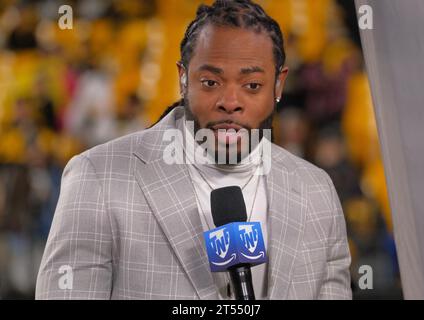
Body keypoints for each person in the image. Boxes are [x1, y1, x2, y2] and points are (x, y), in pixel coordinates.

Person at [36, 0, 351, 300]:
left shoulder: (316, 190)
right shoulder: (99, 177)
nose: (230, 101)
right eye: (211, 82)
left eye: (252, 85)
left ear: (278, 86)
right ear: (183, 79)